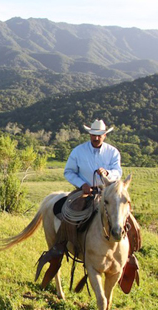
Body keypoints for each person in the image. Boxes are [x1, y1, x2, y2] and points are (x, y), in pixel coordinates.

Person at [36, 119, 123, 287]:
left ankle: (128, 254)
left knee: (125, 218)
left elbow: (118, 172)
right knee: (70, 213)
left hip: (107, 192)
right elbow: (68, 172)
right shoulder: (78, 151)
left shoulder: (113, 152)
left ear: (104, 135)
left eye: (99, 135)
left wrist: (108, 174)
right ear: (90, 134)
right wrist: (82, 184)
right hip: (84, 192)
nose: (96, 138)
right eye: (93, 135)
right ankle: (62, 245)